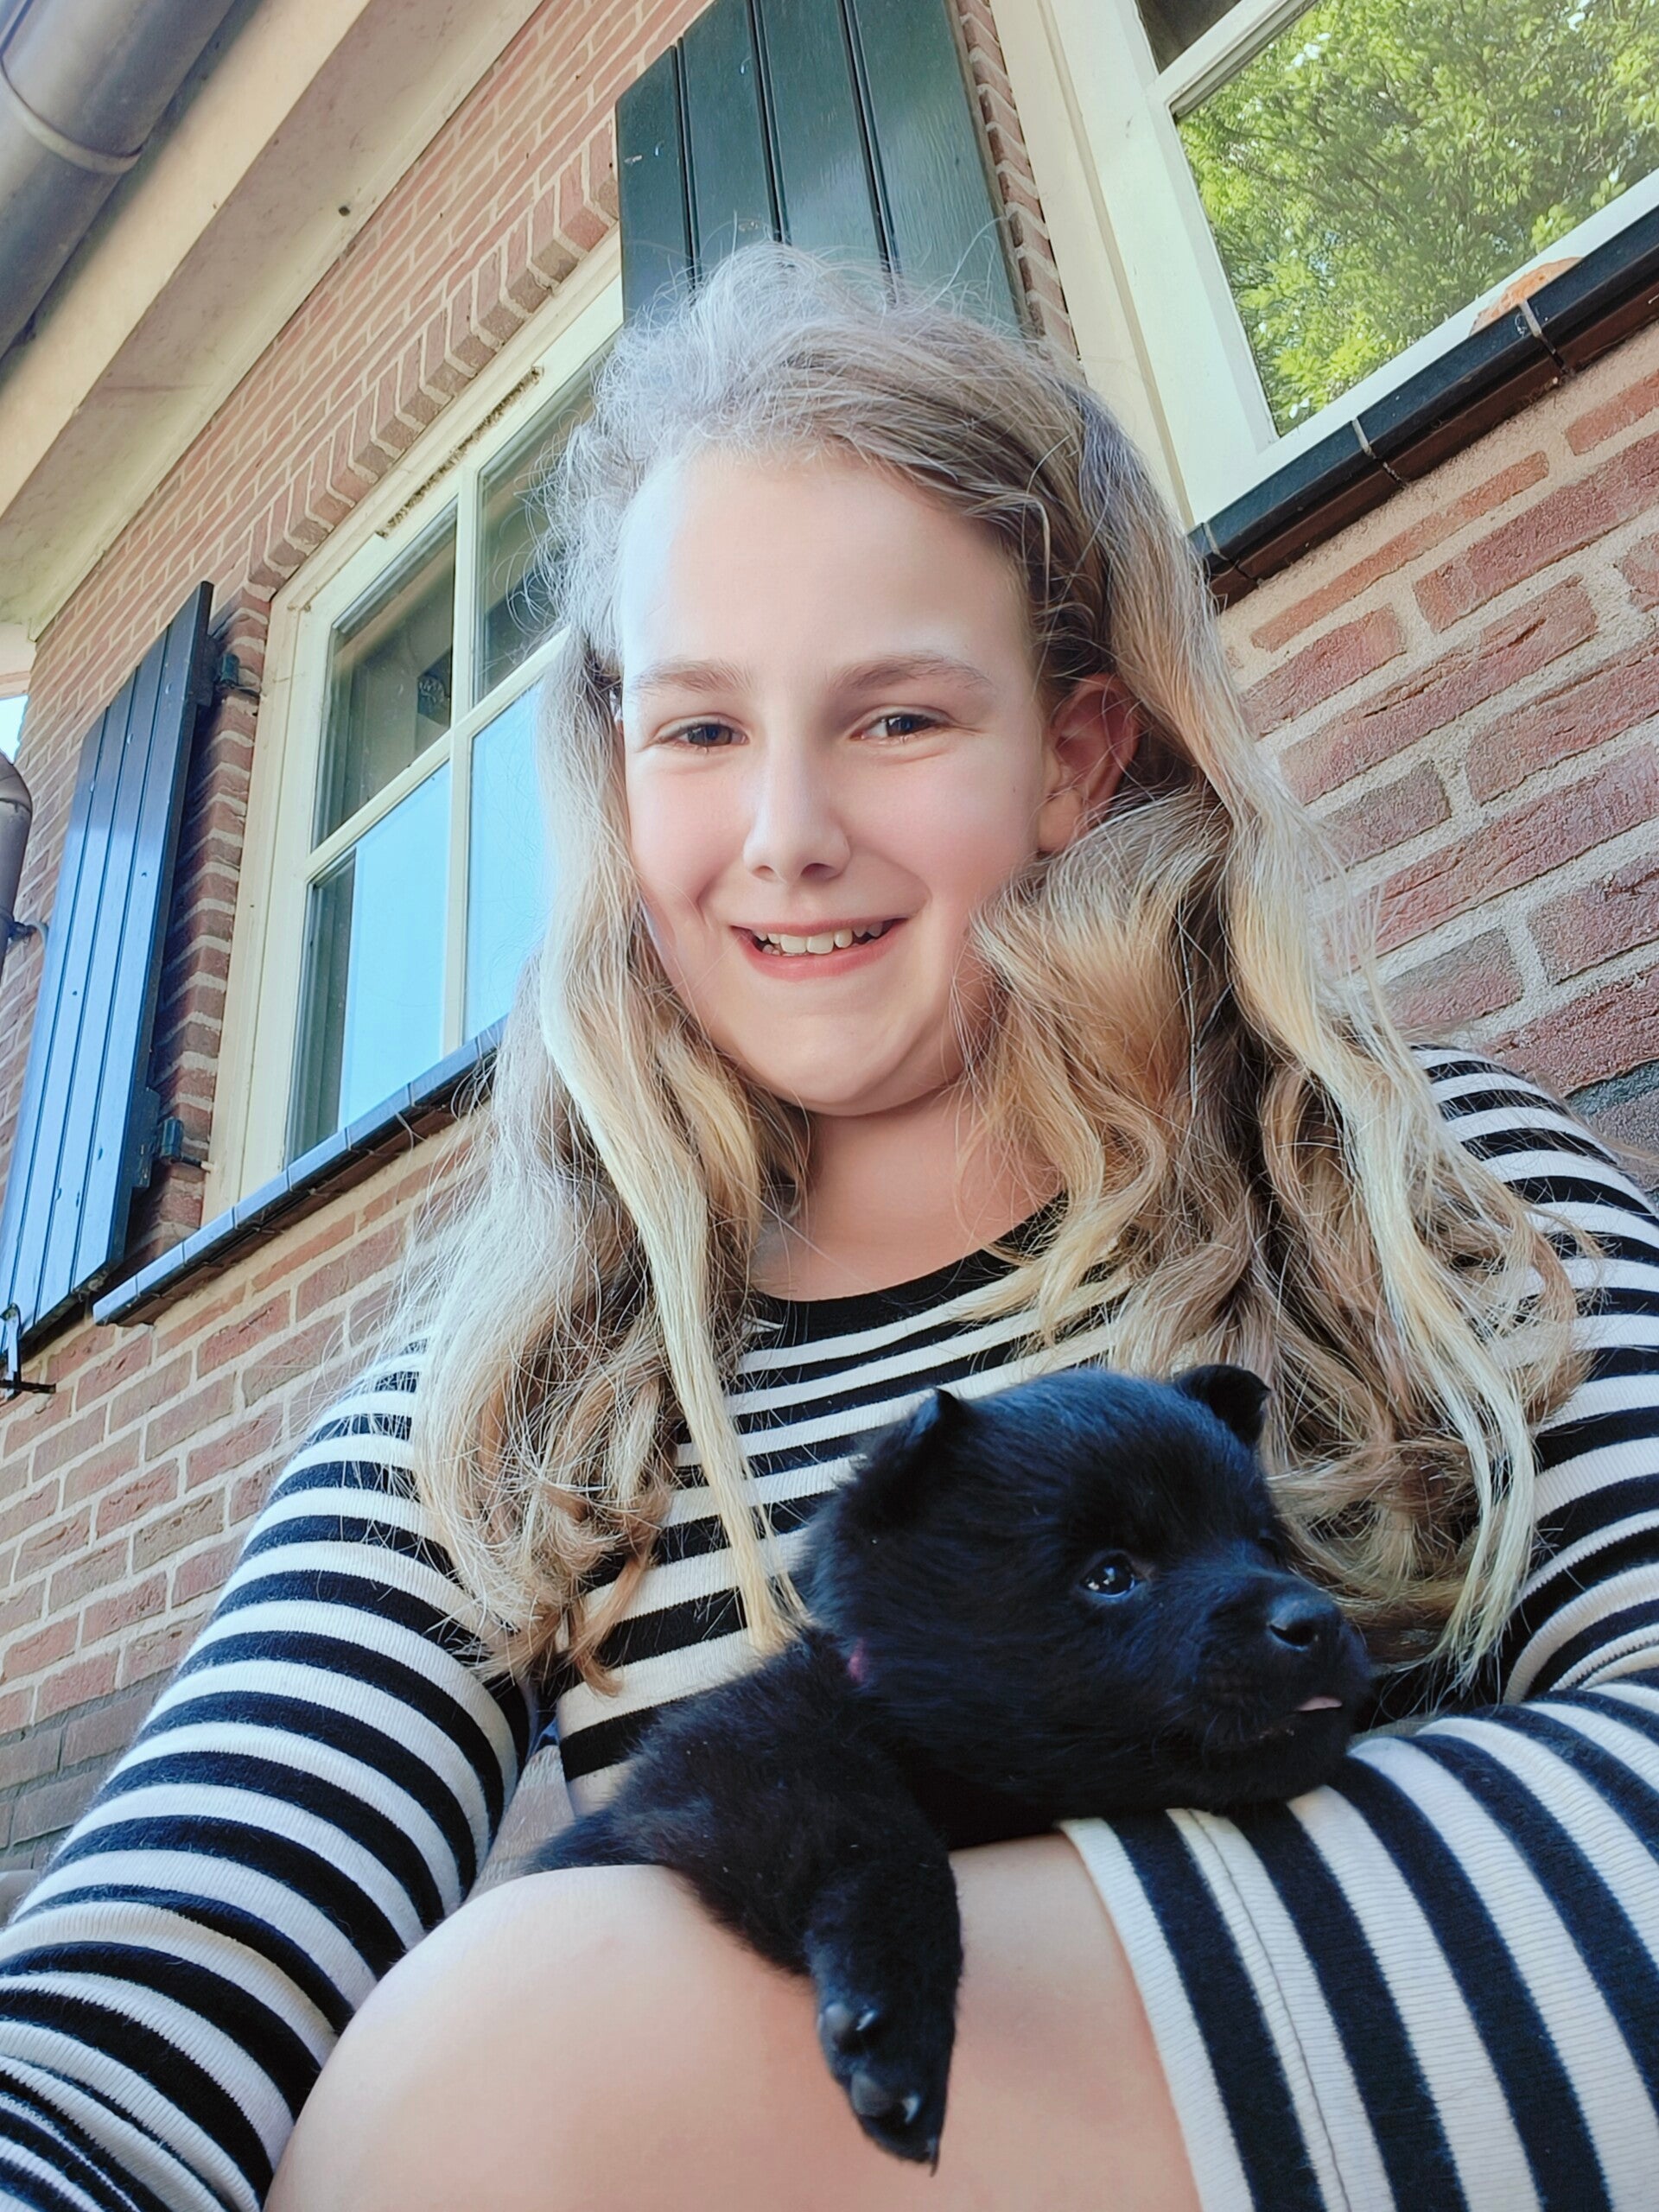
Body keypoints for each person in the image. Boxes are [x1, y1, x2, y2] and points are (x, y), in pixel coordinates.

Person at [0, 241, 1653, 2212]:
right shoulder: (507, 1416)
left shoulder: (1402, 1183)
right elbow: (107, 2048)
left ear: (1073, 758)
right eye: (700, 731)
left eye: (897, 719)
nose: (785, 834)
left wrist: (600, 2049)